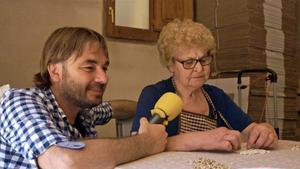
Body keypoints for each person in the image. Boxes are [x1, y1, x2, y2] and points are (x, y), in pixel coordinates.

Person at [0, 27, 167, 169]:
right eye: (89, 67)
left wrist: (144, 108)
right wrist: (146, 142)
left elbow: (115, 108)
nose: (103, 78)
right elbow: (66, 161)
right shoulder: (19, 102)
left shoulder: (83, 112)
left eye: (104, 68)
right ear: (55, 71)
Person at [131, 19, 278, 152]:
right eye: (189, 62)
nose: (199, 69)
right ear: (170, 65)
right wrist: (199, 140)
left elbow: (248, 129)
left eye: (204, 60)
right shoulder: (153, 94)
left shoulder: (216, 96)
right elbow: (139, 144)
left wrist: (264, 130)